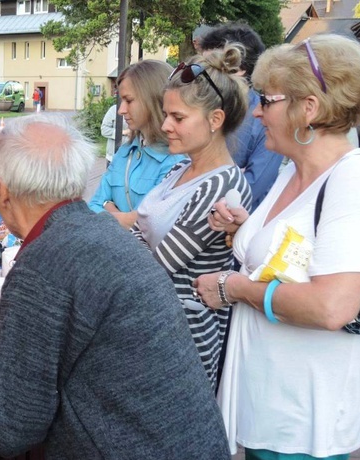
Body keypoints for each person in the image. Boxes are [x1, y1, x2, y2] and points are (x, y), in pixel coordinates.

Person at [0, 114, 233, 460]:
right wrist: (0, 307)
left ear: (1, 191)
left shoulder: (46, 261)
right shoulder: (99, 231)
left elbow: (3, 425)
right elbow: (82, 322)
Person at [195, 34, 360, 460]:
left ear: (308, 107)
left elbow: (333, 306)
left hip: (303, 420)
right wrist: (243, 232)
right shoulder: (295, 170)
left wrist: (234, 288)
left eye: (266, 101)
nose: (255, 113)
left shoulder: (352, 181)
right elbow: (297, 258)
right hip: (272, 405)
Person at [131, 45, 252, 389]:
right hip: (158, 326)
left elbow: (160, 264)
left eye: (178, 117)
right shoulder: (183, 169)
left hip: (185, 337)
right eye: (166, 114)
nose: (166, 125)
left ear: (215, 120)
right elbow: (142, 232)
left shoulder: (223, 184)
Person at [89, 60, 186, 228]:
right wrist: (123, 218)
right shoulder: (126, 151)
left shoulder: (176, 162)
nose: (121, 110)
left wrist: (108, 206)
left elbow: (148, 226)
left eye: (129, 100)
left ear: (152, 99)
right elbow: (93, 205)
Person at [201, 22, 284, 211]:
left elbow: (250, 188)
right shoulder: (199, 109)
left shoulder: (264, 120)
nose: (202, 73)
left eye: (211, 65)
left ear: (240, 68)